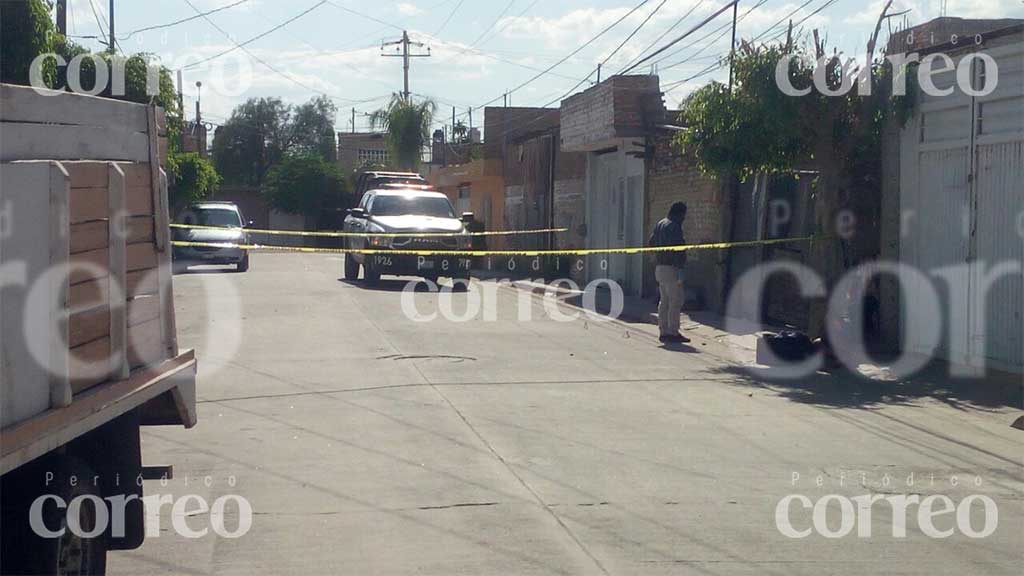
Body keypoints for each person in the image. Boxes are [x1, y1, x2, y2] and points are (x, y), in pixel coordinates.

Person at [649, 202, 690, 344]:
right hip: (672, 268)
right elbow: (679, 249)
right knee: (675, 301)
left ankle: (663, 331)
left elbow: (651, 242)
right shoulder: (675, 226)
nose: (684, 217)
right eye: (684, 214)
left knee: (664, 300)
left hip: (660, 267)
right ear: (680, 213)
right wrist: (680, 269)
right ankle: (673, 332)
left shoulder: (660, 224)